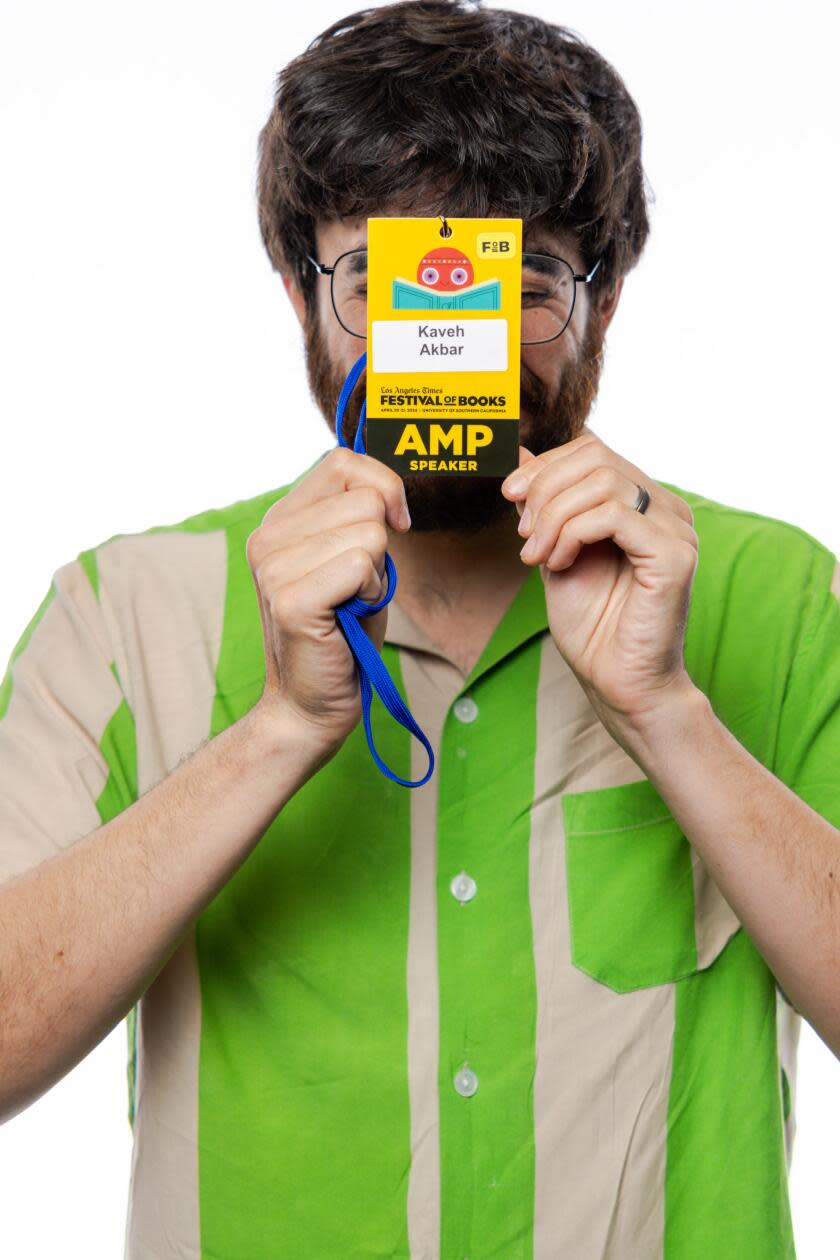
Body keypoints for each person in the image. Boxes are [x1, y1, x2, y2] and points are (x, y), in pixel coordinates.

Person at [1, 2, 838, 1257]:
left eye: (531, 279)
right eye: (382, 280)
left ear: (602, 306)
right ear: (299, 296)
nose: (457, 341)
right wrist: (282, 728)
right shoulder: (124, 612)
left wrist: (671, 715)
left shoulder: (773, 594)